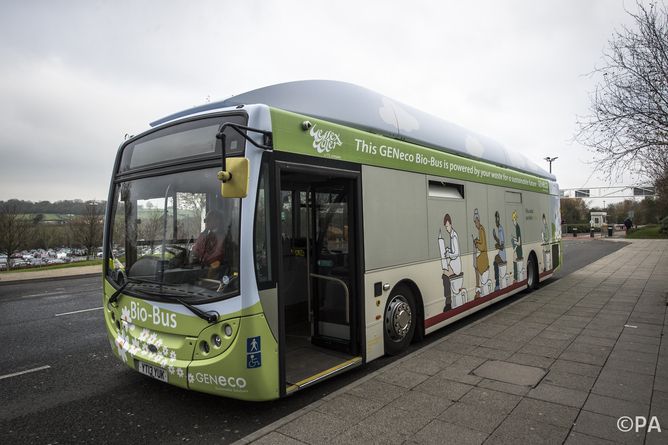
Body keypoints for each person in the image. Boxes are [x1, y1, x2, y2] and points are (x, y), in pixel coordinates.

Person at [192, 210, 225, 275]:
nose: (206, 222)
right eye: (205, 220)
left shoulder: (222, 236)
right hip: (201, 266)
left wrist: (203, 260)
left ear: (217, 221)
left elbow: (218, 254)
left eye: (208, 220)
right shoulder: (204, 235)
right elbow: (196, 249)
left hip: (214, 269)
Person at [440, 213, 461, 311]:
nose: (447, 228)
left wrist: (449, 254)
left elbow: (456, 253)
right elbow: (454, 251)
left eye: (447, 226)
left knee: (444, 275)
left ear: (451, 224)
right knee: (444, 274)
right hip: (454, 264)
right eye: (446, 227)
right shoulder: (452, 235)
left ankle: (448, 302)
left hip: (456, 266)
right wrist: (449, 250)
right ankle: (448, 301)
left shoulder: (454, 236)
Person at [472, 209, 489, 298]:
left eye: (476, 222)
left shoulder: (481, 230)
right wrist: (477, 241)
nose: (475, 225)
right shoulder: (481, 229)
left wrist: (476, 243)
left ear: (479, 221)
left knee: (476, 266)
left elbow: (482, 246)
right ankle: (478, 290)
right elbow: (482, 241)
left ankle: (478, 290)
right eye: (474, 223)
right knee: (475, 265)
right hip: (482, 255)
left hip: (483, 255)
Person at [492, 211, 506, 291]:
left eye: (497, 218)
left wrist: (497, 246)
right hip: (501, 254)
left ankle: (497, 284)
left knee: (495, 262)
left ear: (499, 219)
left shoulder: (500, 229)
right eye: (495, 218)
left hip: (502, 254)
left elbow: (502, 246)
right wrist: (494, 237)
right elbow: (500, 241)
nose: (496, 220)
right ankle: (497, 283)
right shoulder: (499, 228)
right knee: (495, 259)